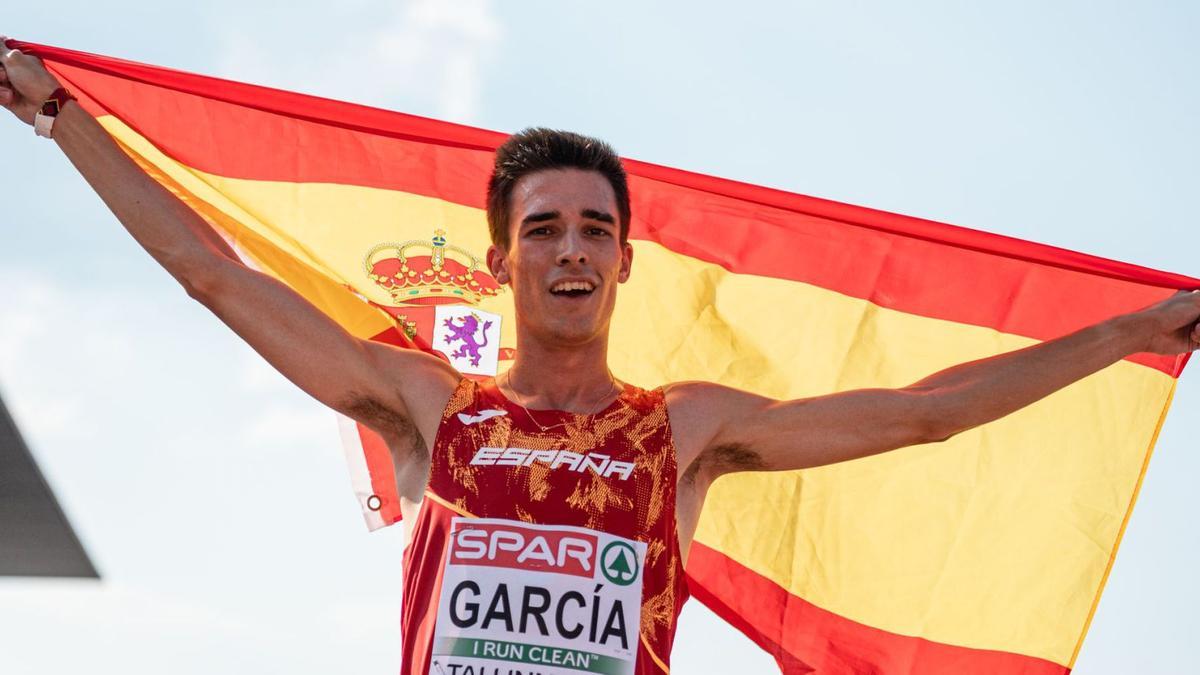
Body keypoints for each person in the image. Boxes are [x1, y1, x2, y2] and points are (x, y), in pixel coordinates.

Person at [2, 41, 1198, 675]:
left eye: (595, 230)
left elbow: (920, 415)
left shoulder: (685, 430)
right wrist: (64, 121)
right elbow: (217, 276)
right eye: (543, 229)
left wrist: (1132, 334)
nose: (570, 250)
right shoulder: (429, 408)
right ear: (500, 261)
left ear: (625, 263)